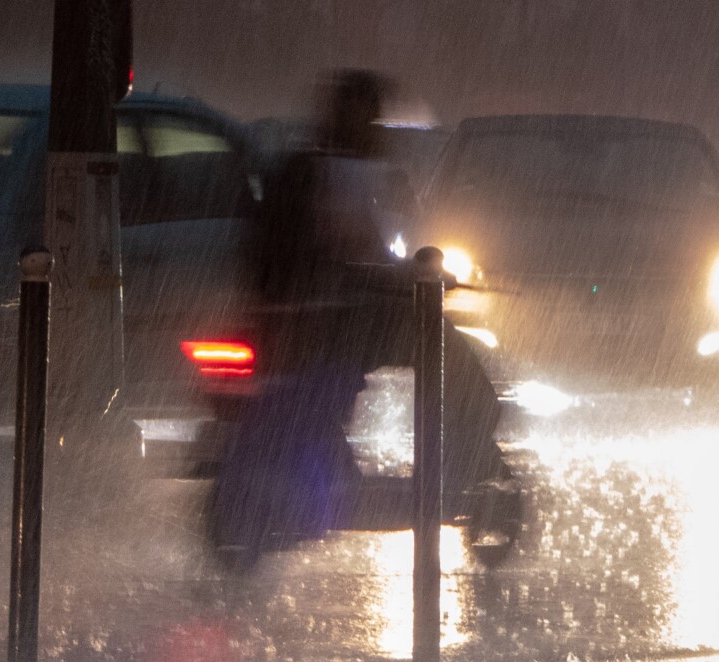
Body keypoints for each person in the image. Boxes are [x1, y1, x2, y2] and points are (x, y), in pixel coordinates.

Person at [208, 70, 515, 569]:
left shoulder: (300, 167)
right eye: (373, 119)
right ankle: (447, 481)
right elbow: (356, 250)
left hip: (303, 321)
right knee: (453, 366)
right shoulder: (340, 172)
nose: (378, 131)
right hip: (336, 322)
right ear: (356, 119)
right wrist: (411, 281)